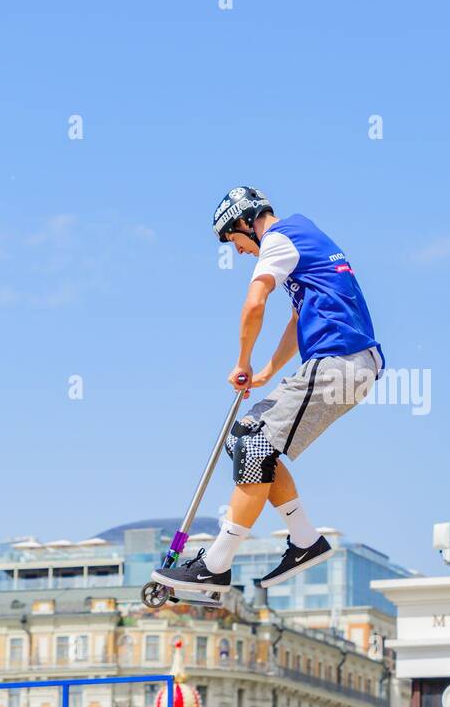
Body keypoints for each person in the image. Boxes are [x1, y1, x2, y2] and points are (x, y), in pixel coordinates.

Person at [152, 186, 384, 602]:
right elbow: (298, 319)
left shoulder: (277, 240)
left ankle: (216, 566)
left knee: (254, 444)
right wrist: (266, 373)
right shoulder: (303, 233)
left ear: (246, 222)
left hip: (340, 362)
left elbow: (254, 303)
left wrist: (241, 361)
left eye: (234, 240)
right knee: (245, 438)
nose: (239, 251)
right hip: (343, 363)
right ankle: (304, 538)